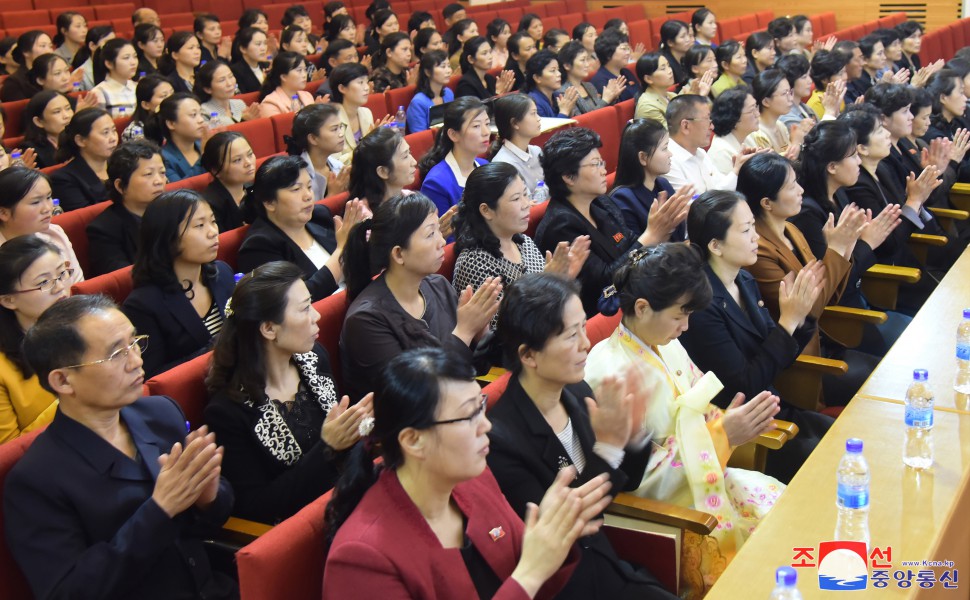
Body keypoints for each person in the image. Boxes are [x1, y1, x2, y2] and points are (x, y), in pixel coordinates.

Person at [323, 346, 610, 598]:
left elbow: (526, 573)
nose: (486, 426)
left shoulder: (474, 480)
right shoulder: (362, 558)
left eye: (481, 406)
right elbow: (525, 577)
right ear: (413, 440)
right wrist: (530, 574)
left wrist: (546, 532)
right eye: (469, 414)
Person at [5, 294, 236, 600]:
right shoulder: (35, 480)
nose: (137, 360)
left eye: (134, 342)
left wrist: (208, 498)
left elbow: (211, 519)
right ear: (62, 381)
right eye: (116, 354)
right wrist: (160, 510)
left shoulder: (160, 413)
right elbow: (69, 591)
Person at [586, 242, 784, 594]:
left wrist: (730, 421)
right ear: (643, 308)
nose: (686, 327)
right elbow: (637, 476)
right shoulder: (608, 370)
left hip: (704, 484)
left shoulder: (665, 342)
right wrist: (723, 434)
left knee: (787, 516)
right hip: (670, 514)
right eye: (680, 315)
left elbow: (699, 410)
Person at [490, 272, 678, 600]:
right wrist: (607, 448)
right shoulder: (501, 441)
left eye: (583, 329)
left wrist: (631, 437)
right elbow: (567, 528)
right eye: (570, 335)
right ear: (528, 355)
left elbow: (626, 483)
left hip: (609, 566)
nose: (585, 344)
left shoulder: (577, 392)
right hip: (568, 584)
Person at [681, 191, 835, 484]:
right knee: (829, 463)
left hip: (774, 406)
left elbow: (780, 357)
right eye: (745, 230)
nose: (756, 237)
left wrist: (800, 316)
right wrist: (787, 322)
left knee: (846, 437)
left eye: (754, 226)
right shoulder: (701, 306)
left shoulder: (743, 279)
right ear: (715, 245)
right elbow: (744, 384)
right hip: (744, 428)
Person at [205, 261, 373, 524]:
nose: (316, 316)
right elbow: (256, 505)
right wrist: (327, 447)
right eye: (305, 309)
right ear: (269, 328)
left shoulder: (314, 359)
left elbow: (347, 446)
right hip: (306, 524)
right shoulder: (228, 410)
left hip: (350, 497)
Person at [737, 151, 879, 406]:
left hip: (823, 340)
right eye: (792, 186)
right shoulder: (758, 251)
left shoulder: (790, 228)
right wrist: (833, 251)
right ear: (767, 202)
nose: (801, 190)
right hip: (801, 361)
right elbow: (808, 310)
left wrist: (844, 249)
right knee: (878, 378)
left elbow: (829, 293)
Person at [340, 192, 501, 400]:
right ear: (398, 254)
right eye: (430, 234)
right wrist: (464, 331)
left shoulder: (438, 285)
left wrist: (481, 335)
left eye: (438, 231)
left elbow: (472, 368)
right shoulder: (365, 320)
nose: (442, 241)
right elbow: (415, 398)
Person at [792, 120, 911, 353]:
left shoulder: (841, 195)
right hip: (841, 320)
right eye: (853, 155)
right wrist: (867, 243)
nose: (859, 162)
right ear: (832, 167)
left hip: (862, 300)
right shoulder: (808, 215)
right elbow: (832, 282)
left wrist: (866, 242)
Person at [452, 163, 589, 327]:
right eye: (516, 198)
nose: (526, 204)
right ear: (486, 210)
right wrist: (546, 285)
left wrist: (563, 281)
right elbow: (501, 335)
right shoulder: (475, 263)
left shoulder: (524, 242)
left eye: (525, 194)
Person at [535, 127, 652, 316]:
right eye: (595, 164)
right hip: (598, 314)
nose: (604, 170)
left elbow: (628, 239)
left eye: (602, 162)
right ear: (568, 176)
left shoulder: (601, 201)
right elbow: (605, 281)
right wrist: (651, 236)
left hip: (631, 296)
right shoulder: (561, 226)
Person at [122, 190, 232, 377]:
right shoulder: (143, 305)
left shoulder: (222, 273)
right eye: (199, 225)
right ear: (168, 236)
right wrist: (223, 347)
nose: (213, 232)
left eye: (213, 221)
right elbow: (154, 377)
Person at [238, 155, 364, 301]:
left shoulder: (319, 216)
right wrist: (342, 249)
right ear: (269, 202)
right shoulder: (258, 246)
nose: (308, 196)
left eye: (309, 187)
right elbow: (298, 301)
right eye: (296, 189)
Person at [0, 236, 69, 442]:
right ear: (9, 300)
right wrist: (73, 398)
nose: (59, 287)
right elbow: (9, 451)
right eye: (44, 282)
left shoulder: (86, 327)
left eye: (62, 274)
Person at [86, 140, 166, 276]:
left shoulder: (173, 209)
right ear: (120, 186)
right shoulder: (103, 230)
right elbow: (121, 279)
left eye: (162, 173)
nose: (159, 181)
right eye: (148, 174)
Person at [609, 119, 691, 239]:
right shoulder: (622, 199)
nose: (670, 154)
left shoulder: (663, 184)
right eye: (664, 148)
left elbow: (679, 235)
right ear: (643, 157)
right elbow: (636, 252)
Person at [0, 168, 84, 283]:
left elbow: (78, 286)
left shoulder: (55, 234)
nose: (48, 208)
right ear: (4, 213)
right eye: (35, 202)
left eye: (48, 197)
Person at [419, 97, 491, 216]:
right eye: (476, 126)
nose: (486, 132)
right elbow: (443, 233)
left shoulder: (485, 166)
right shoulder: (436, 183)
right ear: (453, 135)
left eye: (487, 124)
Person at [665, 94, 749, 193]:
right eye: (707, 120)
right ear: (686, 126)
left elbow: (720, 186)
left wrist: (742, 167)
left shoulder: (700, 152)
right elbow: (697, 206)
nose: (712, 127)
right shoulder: (668, 161)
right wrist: (736, 171)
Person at [50, 108, 116, 212]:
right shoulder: (63, 180)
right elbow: (88, 218)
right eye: (105, 132)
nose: (113, 138)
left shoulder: (120, 164)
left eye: (114, 130)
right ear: (80, 140)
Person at [285, 103, 347, 202]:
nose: (341, 134)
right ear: (313, 138)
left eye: (341, 127)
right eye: (334, 129)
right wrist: (333, 195)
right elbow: (306, 216)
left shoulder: (338, 166)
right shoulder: (296, 178)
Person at [347, 127, 417, 214]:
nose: (414, 162)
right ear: (383, 171)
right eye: (405, 156)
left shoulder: (410, 197)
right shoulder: (364, 216)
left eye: (409, 152)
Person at [743, 69, 810, 159]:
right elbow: (774, 167)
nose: (790, 98)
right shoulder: (757, 133)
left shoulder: (780, 125)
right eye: (784, 94)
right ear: (766, 101)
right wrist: (796, 142)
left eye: (790, 92)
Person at [489, 94, 545, 198]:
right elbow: (528, 205)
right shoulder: (504, 164)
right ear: (515, 123)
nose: (539, 118)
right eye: (533, 114)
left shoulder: (536, 151)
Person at [201, 131, 255, 232]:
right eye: (237, 160)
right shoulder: (210, 206)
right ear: (216, 170)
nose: (248, 163)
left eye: (250, 154)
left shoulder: (255, 189)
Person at [145, 92, 206, 182]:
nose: (201, 120)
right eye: (193, 115)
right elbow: (180, 191)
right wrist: (204, 156)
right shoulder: (162, 158)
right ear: (171, 124)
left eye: (201, 114)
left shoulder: (202, 144)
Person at [558, 41, 622, 116]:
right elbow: (581, 121)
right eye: (582, 60)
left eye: (587, 59)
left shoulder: (589, 86)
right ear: (567, 66)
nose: (587, 64)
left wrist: (612, 98)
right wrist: (605, 100)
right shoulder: (564, 92)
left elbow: (602, 112)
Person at [776, 54, 840, 129]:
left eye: (809, 75)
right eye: (804, 77)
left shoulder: (804, 107)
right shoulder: (786, 117)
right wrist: (829, 112)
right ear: (788, 81)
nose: (810, 81)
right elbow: (816, 139)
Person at [330, 62, 377, 163]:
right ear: (342, 88)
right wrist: (366, 144)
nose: (367, 87)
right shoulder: (331, 121)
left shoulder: (366, 113)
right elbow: (335, 163)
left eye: (367, 82)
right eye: (360, 82)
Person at [709, 88, 760, 175]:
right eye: (752, 110)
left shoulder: (748, 137)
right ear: (734, 119)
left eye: (756, 107)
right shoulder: (721, 153)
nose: (758, 114)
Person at [196, 60, 259, 126]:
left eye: (231, 76)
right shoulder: (204, 112)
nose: (229, 83)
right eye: (222, 80)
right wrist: (243, 121)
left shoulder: (240, 104)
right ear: (208, 89)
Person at [22, 91, 74, 169]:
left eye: (68, 108)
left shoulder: (80, 138)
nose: (67, 116)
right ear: (39, 121)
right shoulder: (32, 151)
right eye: (57, 112)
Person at [407, 50, 454, 133]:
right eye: (443, 67)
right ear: (428, 72)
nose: (449, 71)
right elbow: (420, 138)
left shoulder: (448, 93)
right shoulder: (418, 103)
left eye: (449, 66)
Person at [523, 50, 579, 119]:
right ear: (537, 78)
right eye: (553, 71)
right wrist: (564, 111)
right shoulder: (533, 103)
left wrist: (569, 110)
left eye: (558, 70)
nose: (559, 74)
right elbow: (550, 129)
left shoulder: (558, 96)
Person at [90, 38, 138, 118]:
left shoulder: (137, 86)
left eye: (135, 56)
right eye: (126, 58)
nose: (133, 62)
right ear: (109, 64)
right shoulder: (99, 93)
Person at [455, 36, 514, 101]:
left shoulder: (489, 79)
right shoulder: (466, 85)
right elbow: (477, 109)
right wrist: (498, 93)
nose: (490, 57)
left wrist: (504, 93)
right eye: (484, 53)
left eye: (490, 52)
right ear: (471, 59)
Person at [258, 52, 315, 118]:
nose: (304, 75)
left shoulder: (307, 96)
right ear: (283, 77)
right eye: (299, 70)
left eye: (305, 70)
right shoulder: (270, 104)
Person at [0, 31, 53, 101]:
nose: (49, 51)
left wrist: (72, 84)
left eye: (50, 46)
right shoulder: (14, 83)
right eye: (42, 46)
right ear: (26, 52)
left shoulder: (54, 72)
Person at [122, 74, 173, 142]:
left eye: (172, 93)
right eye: (164, 96)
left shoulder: (174, 121)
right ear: (146, 105)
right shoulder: (136, 131)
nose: (172, 99)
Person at [591, 29, 637, 102]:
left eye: (628, 48)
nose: (628, 52)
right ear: (608, 53)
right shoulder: (599, 81)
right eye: (624, 49)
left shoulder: (626, 72)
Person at [634, 53, 677, 127]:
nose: (670, 71)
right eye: (663, 68)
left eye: (668, 66)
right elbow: (668, 135)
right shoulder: (648, 106)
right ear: (648, 79)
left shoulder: (671, 95)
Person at [806, 49, 849, 120]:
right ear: (824, 79)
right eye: (840, 74)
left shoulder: (836, 94)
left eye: (845, 72)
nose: (845, 77)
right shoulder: (817, 104)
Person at [230, 27, 270, 94]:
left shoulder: (267, 66)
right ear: (243, 49)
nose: (263, 48)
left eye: (265, 43)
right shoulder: (235, 71)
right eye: (258, 44)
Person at [658, 20, 692, 87]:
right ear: (670, 42)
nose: (688, 39)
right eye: (683, 37)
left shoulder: (688, 56)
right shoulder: (664, 63)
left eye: (688, 35)